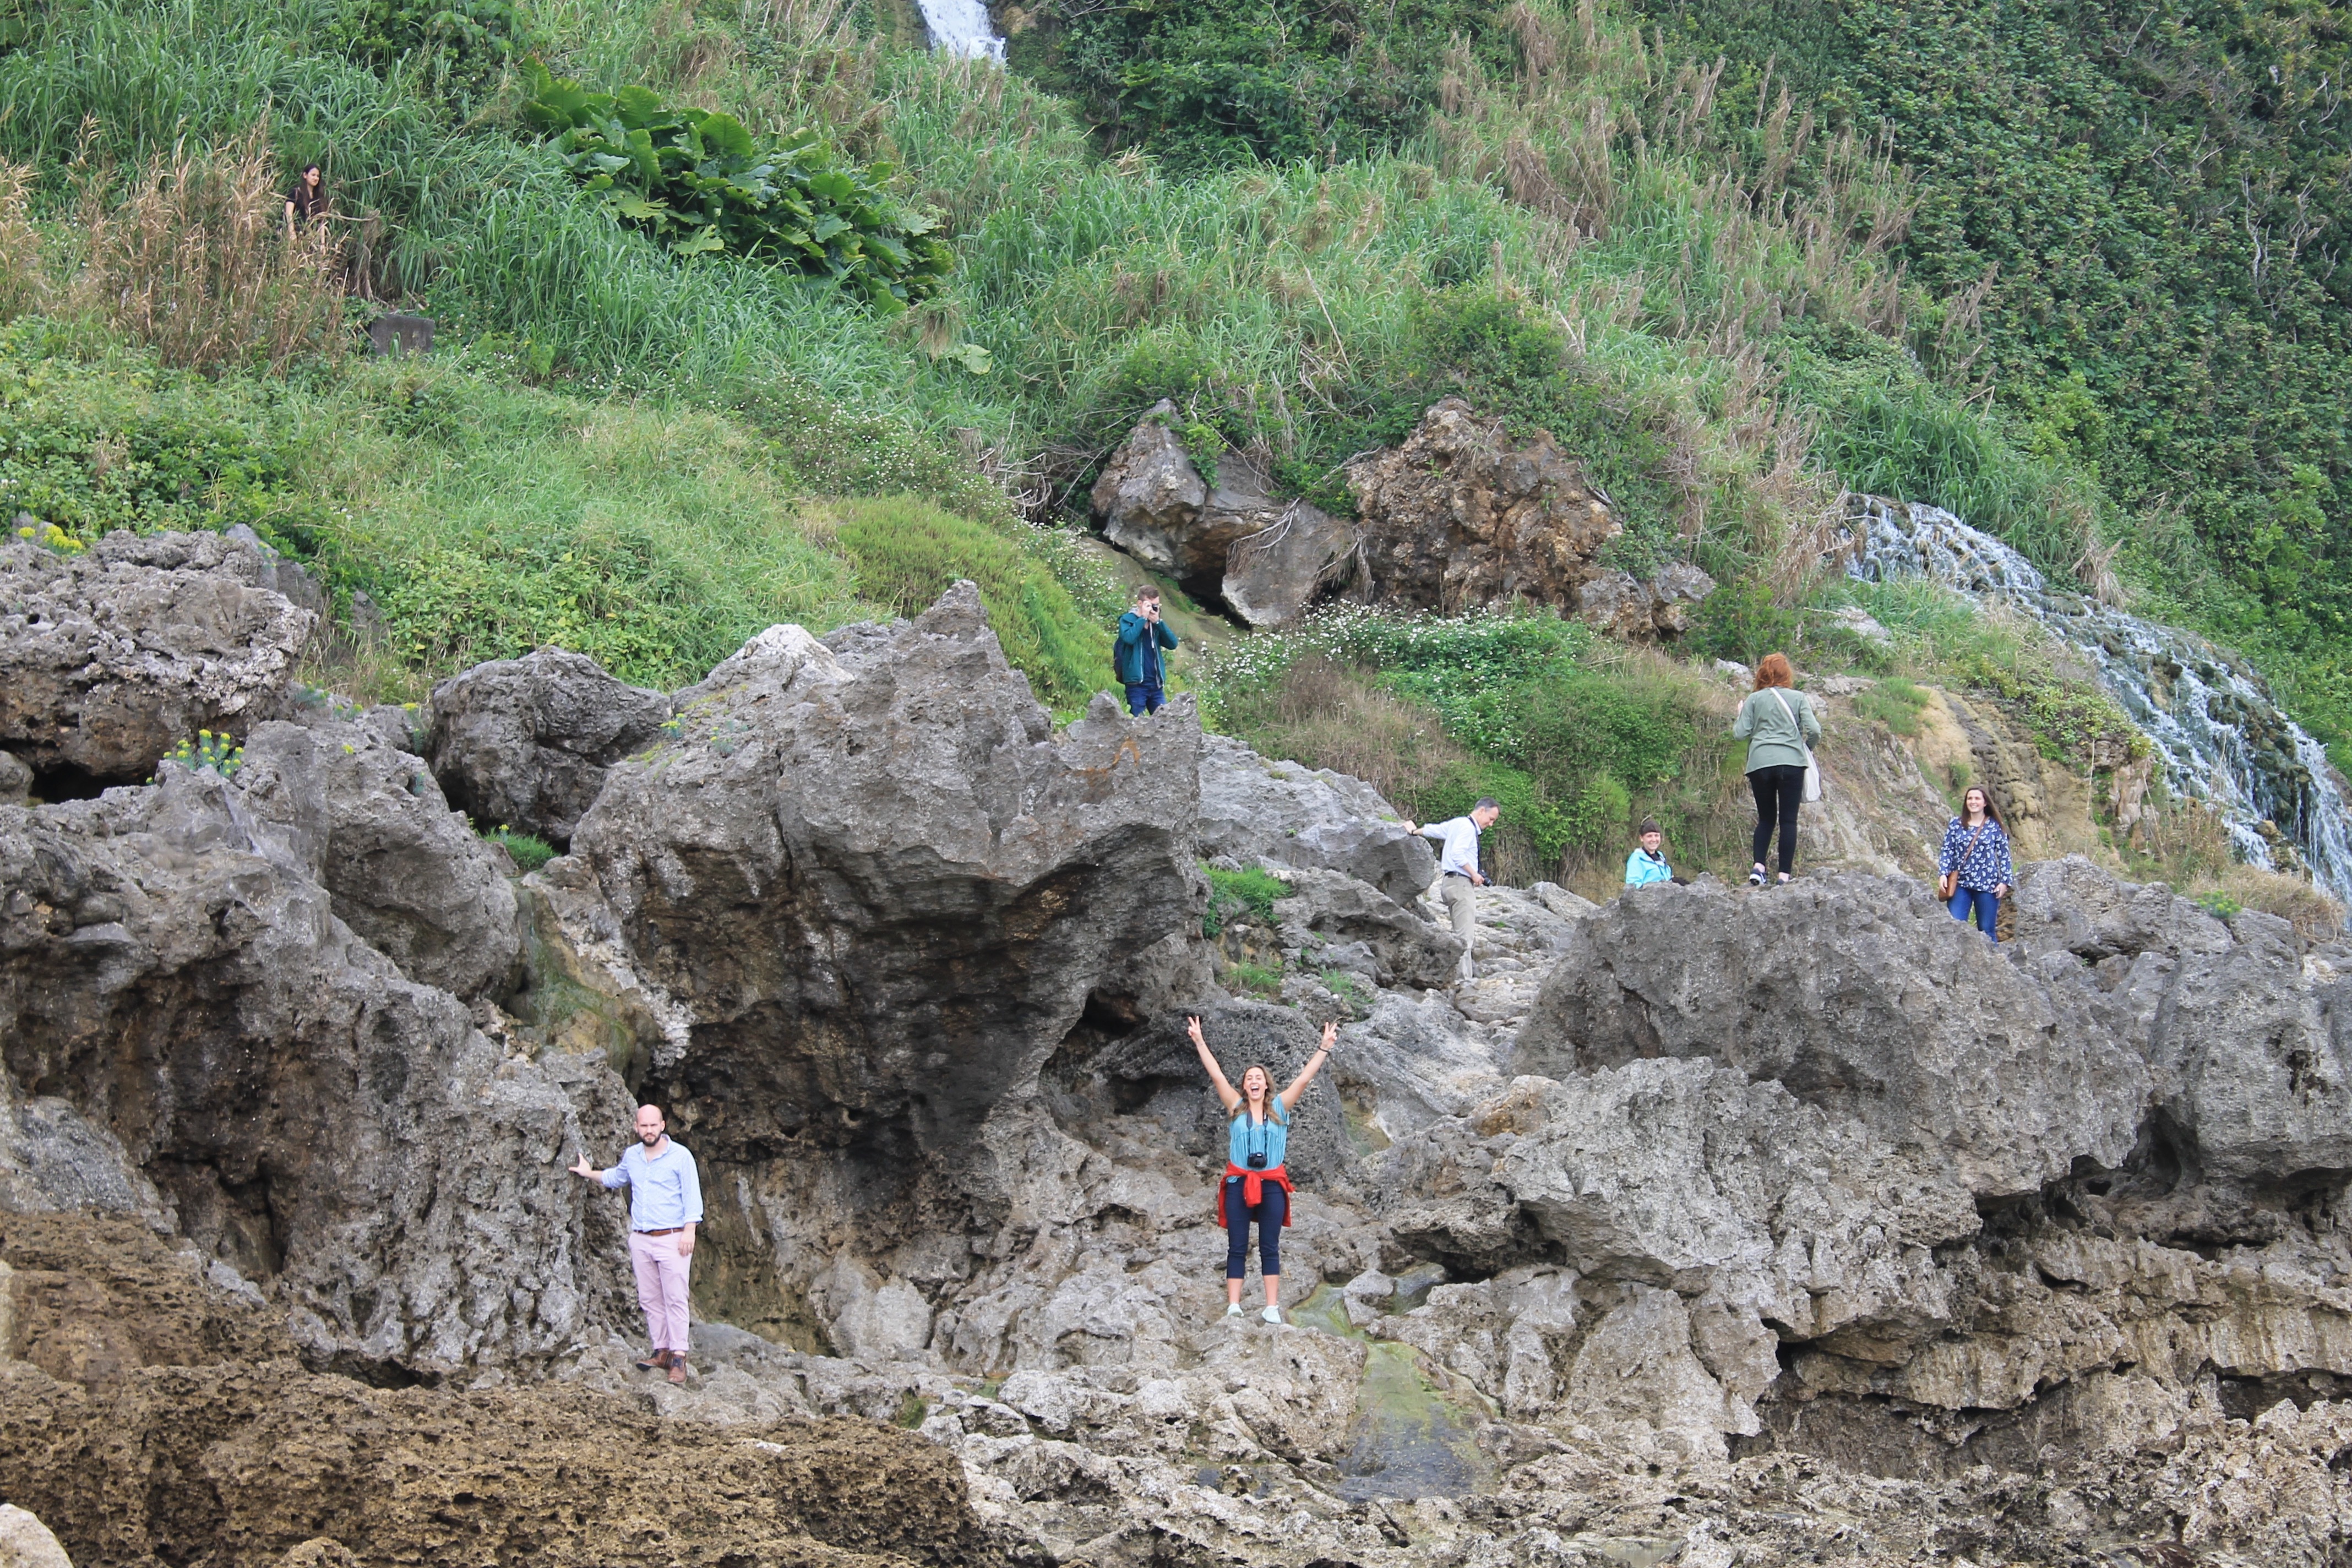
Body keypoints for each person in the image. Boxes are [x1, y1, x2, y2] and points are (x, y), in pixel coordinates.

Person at [1188, 1013, 1336, 1324]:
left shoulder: (1280, 1107)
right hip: (1239, 1181)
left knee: (1270, 1245)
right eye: (1248, 1079)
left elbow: (1304, 1079)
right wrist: (1200, 1041)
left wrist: (1323, 1048)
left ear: (1266, 1085)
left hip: (1271, 1183)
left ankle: (1272, 1307)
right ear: (1244, 1086)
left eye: (1259, 1078)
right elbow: (1216, 1075)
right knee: (1237, 1246)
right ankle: (1234, 1305)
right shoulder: (1235, 1107)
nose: (1253, 1082)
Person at [569, 1104, 703, 1384]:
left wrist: (689, 1231)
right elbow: (615, 1178)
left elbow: (692, 1197)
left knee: (676, 1298)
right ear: (636, 1127)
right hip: (641, 1239)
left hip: (673, 1237)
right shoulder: (633, 1156)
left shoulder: (680, 1156)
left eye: (654, 1125)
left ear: (663, 1126)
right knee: (650, 1298)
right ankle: (661, 1350)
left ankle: (679, 1357)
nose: (649, 1130)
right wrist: (588, 1172)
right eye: (644, 1126)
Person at [1730, 653, 1820, 886]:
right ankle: (1784, 877)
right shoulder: (1798, 697)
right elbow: (1815, 730)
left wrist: (1740, 715)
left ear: (1762, 673)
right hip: (1791, 763)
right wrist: (1805, 749)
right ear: (1787, 674)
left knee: (1766, 818)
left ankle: (1758, 868)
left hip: (1760, 764)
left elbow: (1740, 734)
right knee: (1788, 821)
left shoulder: (1754, 699)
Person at [1401, 798, 1499, 983]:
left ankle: (1459, 977)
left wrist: (1414, 831)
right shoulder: (1469, 828)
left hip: (1449, 884)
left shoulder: (1458, 823)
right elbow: (1457, 854)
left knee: (1458, 933)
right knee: (1465, 937)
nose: (1491, 824)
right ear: (1482, 811)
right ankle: (1463, 981)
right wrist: (1475, 875)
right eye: (1491, 819)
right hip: (1461, 884)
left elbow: (1435, 830)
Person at [1938, 786, 2013, 943]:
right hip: (1960, 884)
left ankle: (1994, 966)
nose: (1973, 802)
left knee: (1987, 931)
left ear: (1985, 802)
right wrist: (1943, 873)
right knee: (1955, 926)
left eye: (1977, 799)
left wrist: (2005, 881)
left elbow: (2004, 856)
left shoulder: (1995, 826)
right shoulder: (1956, 824)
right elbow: (1947, 850)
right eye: (1970, 799)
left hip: (1987, 885)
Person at [1114, 586, 1180, 716]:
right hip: (1137, 685)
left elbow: (1173, 644)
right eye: (1149, 605)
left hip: (1156, 685)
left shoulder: (1155, 625)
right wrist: (1142, 619)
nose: (1153, 609)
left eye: (1156, 606)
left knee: (1164, 722)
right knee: (1137, 723)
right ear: (1140, 604)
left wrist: (1159, 623)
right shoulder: (1127, 620)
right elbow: (1129, 639)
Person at [1624, 819, 1684, 887]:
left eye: (1656, 836)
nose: (1654, 840)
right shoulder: (1637, 859)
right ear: (1641, 838)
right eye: (1649, 836)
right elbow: (1632, 887)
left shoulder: (1661, 857)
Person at [285, 161, 325, 240]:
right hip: (295, 234)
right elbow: (289, 214)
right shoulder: (295, 193)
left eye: (318, 176)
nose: (316, 178)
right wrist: (292, 233)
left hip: (310, 238)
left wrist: (323, 244)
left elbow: (321, 222)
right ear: (305, 175)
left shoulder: (319, 197)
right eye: (313, 175)